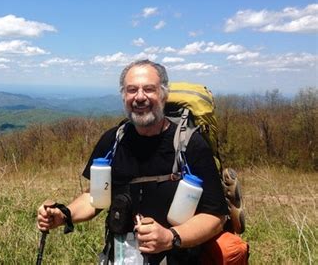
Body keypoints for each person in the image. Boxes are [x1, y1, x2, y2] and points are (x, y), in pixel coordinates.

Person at [37, 60, 228, 264]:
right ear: (123, 96)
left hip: (177, 258)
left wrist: (171, 237)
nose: (139, 97)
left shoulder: (190, 145)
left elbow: (215, 216)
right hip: (121, 257)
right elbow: (95, 197)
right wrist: (64, 214)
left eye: (149, 89)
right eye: (131, 90)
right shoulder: (113, 140)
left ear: (163, 94)